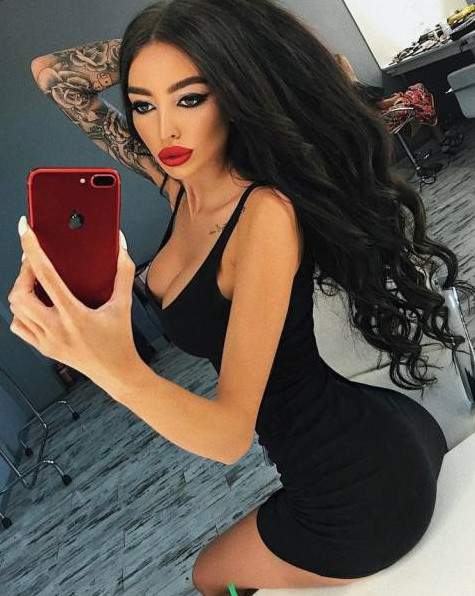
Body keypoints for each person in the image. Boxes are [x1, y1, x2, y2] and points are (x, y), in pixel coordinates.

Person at [30, 1, 475, 594]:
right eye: (143, 104)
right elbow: (52, 73)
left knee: (207, 576)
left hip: (362, 485)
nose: (164, 130)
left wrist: (107, 362)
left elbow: (227, 435)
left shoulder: (265, 213)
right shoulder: (178, 187)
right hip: (364, 429)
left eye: (190, 98)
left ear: (232, 90)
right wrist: (176, 38)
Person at [334, 53, 464, 154]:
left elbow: (375, 106)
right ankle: (441, 137)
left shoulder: (343, 93)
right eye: (347, 64)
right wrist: (396, 98)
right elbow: (382, 105)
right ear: (345, 68)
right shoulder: (356, 87)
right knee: (419, 90)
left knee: (417, 99)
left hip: (379, 120)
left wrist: (396, 99)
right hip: (388, 118)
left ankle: (440, 134)